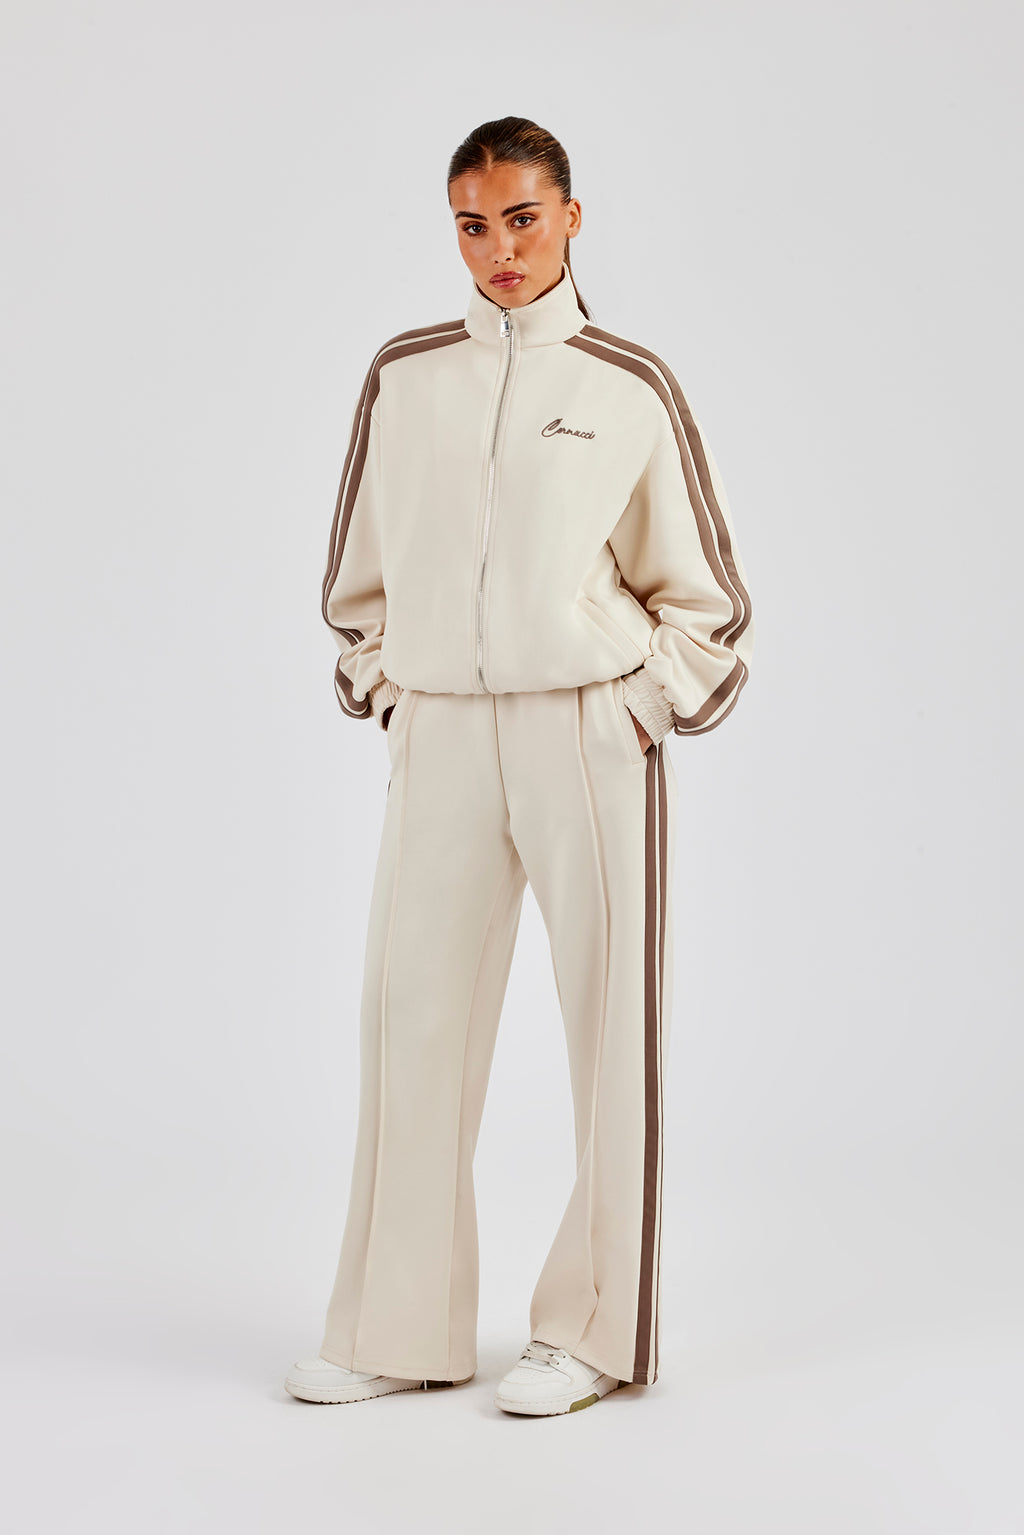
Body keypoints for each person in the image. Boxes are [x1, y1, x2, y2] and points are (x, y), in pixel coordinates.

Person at [285, 115, 754, 1417]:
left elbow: (707, 600)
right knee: (410, 1023)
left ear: (571, 218)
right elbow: (358, 574)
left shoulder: (627, 386)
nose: (499, 247)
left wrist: (638, 709)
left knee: (611, 1029)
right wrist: (393, 685)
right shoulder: (406, 377)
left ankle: (591, 1332)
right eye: (473, 224)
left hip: (587, 730)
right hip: (443, 732)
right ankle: (396, 1328)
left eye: (522, 218)